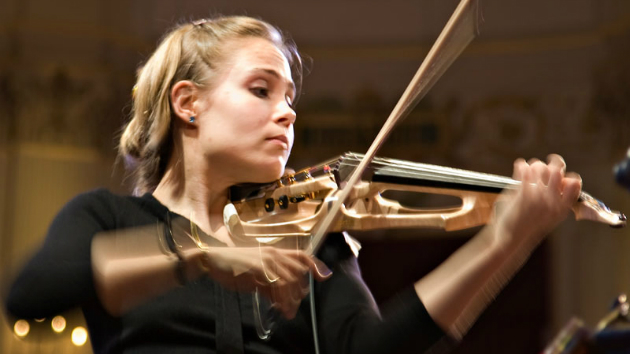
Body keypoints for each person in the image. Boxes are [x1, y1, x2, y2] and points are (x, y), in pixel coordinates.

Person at [4, 15, 582, 354]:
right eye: (262, 90)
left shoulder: (311, 235)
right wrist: (203, 254)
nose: (288, 114)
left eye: (291, 99)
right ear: (188, 104)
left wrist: (503, 244)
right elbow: (31, 297)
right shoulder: (106, 218)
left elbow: (372, 352)